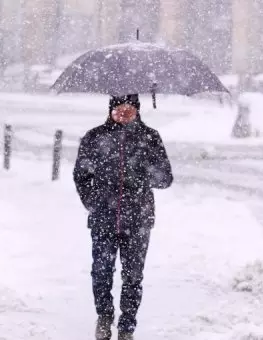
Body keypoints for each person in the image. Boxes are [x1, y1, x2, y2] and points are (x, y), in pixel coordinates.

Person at [73, 94, 173, 340]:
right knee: (101, 271)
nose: (123, 112)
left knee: (133, 276)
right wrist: (93, 203)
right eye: (119, 108)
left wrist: (143, 172)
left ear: (137, 110)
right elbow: (81, 176)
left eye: (129, 108)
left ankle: (127, 327)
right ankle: (105, 317)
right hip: (103, 219)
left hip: (138, 220)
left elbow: (165, 178)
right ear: (110, 110)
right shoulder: (94, 137)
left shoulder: (150, 137)